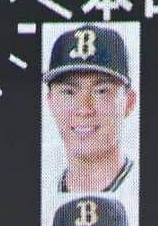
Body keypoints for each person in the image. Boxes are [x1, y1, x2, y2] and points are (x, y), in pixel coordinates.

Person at [44, 25, 137, 194]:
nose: (84, 108)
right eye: (69, 91)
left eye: (101, 91)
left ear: (129, 102)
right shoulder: (38, 192)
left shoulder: (150, 188)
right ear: (50, 101)